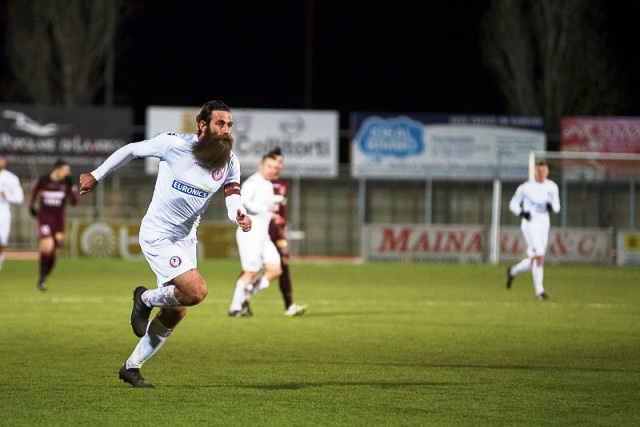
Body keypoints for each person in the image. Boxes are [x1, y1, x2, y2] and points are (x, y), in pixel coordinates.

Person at [79, 100, 252, 388]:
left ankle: (131, 367)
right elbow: (131, 150)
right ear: (203, 125)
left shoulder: (229, 161)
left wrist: (239, 215)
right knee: (196, 291)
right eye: (220, 124)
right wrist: (96, 175)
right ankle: (145, 299)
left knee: (177, 309)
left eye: (230, 125)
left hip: (186, 239)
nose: (226, 130)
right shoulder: (174, 144)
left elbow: (233, 195)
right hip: (157, 234)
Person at [228, 151, 283, 317]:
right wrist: (266, 208)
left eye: (276, 168)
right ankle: (235, 307)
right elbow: (243, 202)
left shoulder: (268, 184)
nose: (272, 170)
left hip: (263, 235)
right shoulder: (253, 182)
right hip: (250, 233)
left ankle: (244, 296)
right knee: (251, 271)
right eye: (269, 166)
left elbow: (265, 209)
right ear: (261, 166)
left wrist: (274, 216)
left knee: (275, 269)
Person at [506, 159, 560, 300]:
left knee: (536, 259)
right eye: (538, 170)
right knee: (540, 255)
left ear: (547, 171)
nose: (541, 173)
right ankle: (539, 292)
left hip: (544, 225)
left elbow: (557, 207)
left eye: (543, 170)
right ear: (534, 171)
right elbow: (513, 204)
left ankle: (513, 271)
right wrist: (522, 213)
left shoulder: (552, 187)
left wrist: (551, 208)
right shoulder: (526, 187)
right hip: (530, 225)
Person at [267, 147, 307, 317]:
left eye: (280, 162)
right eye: (275, 161)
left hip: (277, 233)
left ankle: (289, 305)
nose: (278, 165)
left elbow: (283, 211)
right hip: (261, 232)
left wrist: (283, 230)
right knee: (252, 269)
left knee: (284, 263)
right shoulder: (259, 183)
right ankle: (240, 300)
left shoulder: (284, 185)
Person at [29, 159, 78, 290]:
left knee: (55, 252)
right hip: (44, 220)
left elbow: (74, 202)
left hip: (59, 223)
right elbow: (34, 192)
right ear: (57, 170)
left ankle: (43, 277)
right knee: (48, 247)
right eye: (66, 170)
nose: (68, 173)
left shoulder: (66, 184)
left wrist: (71, 187)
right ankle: (41, 276)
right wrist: (31, 205)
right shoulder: (43, 180)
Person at [0, 155, 25, 270]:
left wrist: (7, 196)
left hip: (3, 213)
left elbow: (20, 198)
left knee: (2, 241)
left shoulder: (11, 178)